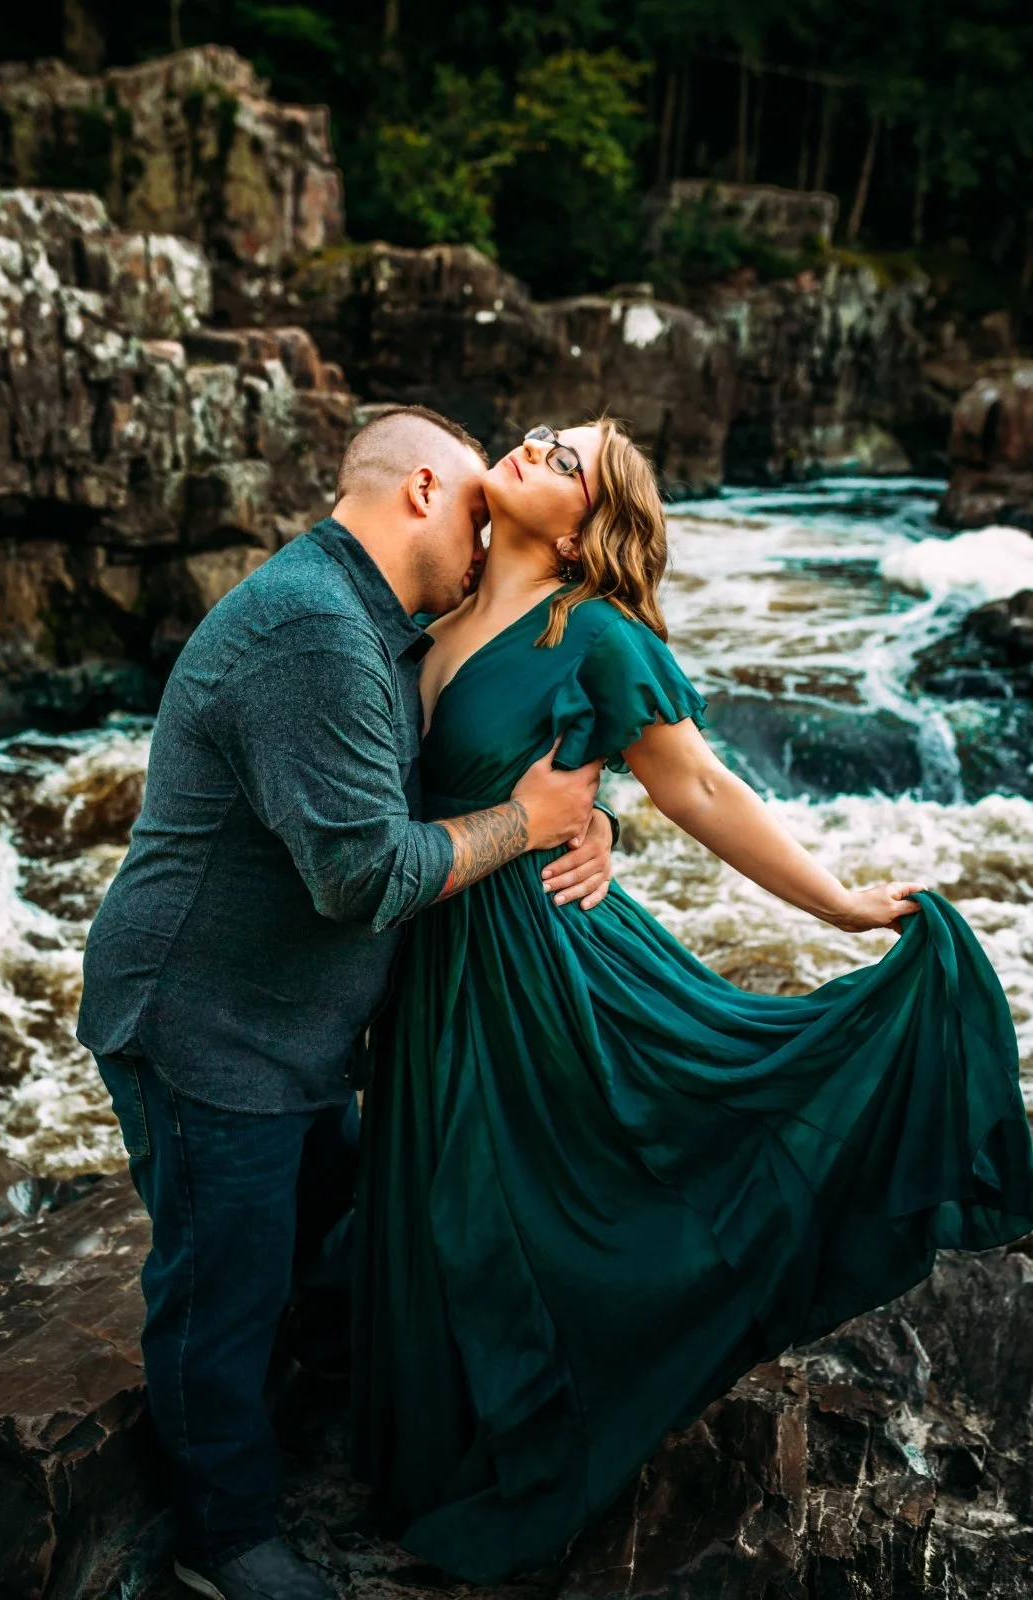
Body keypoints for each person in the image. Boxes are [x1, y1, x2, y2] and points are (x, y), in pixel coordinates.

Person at [351, 418, 1033, 1583]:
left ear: (582, 531)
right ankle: (443, 1438)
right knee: (434, 1205)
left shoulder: (596, 634)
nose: (536, 449)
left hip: (540, 970)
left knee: (543, 1201)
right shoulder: (433, 607)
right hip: (433, 969)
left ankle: (571, 1419)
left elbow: (703, 784)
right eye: (544, 436)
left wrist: (838, 905)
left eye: (570, 463)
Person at [77, 406, 619, 1600]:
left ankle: (305, 1419)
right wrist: (528, 824)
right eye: (481, 512)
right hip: (205, 1029)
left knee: (326, 1225)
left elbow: (441, 763)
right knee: (223, 1286)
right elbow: (365, 872)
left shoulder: (376, 618)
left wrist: (595, 818)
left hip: (293, 1029)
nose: (488, 543)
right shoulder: (312, 632)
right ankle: (225, 1540)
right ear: (426, 490)